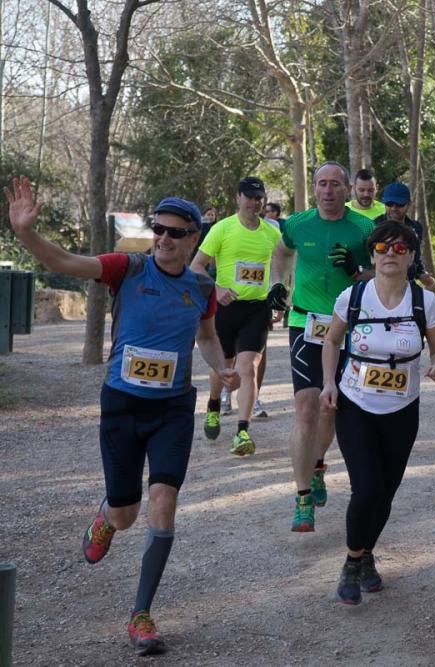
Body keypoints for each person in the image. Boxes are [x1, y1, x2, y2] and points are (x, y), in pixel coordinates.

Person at [4, 177, 239, 655]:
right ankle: (107, 517)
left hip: (173, 408)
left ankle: (141, 615)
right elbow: (65, 262)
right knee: (127, 512)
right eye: (159, 229)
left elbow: (207, 336)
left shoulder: (202, 287)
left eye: (176, 232)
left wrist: (223, 367)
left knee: (164, 503)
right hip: (122, 406)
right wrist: (27, 234)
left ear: (194, 237)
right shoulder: (127, 269)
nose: (165, 239)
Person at [318, 221, 435, 604]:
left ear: (410, 256)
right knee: (367, 487)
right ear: (372, 254)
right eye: (382, 248)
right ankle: (352, 560)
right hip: (355, 403)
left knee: (386, 492)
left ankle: (367, 553)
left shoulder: (425, 301)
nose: (390, 253)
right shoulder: (353, 296)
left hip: (403, 408)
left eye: (399, 248)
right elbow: (332, 340)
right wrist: (328, 382)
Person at [269, 161, 375, 532]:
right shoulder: (297, 224)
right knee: (306, 408)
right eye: (321, 184)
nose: (328, 191)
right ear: (314, 188)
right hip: (305, 323)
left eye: (335, 184)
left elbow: (382, 272)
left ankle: (317, 465)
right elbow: (281, 253)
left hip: (347, 326)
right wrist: (276, 284)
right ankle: (301, 500)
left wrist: (358, 270)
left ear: (347, 189)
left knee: (330, 410)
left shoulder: (364, 228)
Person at [191, 177, 281, 456]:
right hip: (226, 308)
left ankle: (242, 430)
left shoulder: (272, 234)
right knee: (224, 365)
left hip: (257, 309)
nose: (255, 202)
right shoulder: (222, 228)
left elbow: (281, 269)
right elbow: (196, 266)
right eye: (250, 197)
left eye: (259, 198)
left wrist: (279, 297)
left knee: (248, 367)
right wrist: (216, 289)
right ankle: (214, 405)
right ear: (238, 198)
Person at [373, 181, 435, 290]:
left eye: (399, 204)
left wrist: (422, 275)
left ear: (409, 204)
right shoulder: (374, 226)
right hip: (380, 286)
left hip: (407, 286)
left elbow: (415, 259)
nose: (394, 208)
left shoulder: (416, 228)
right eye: (389, 204)